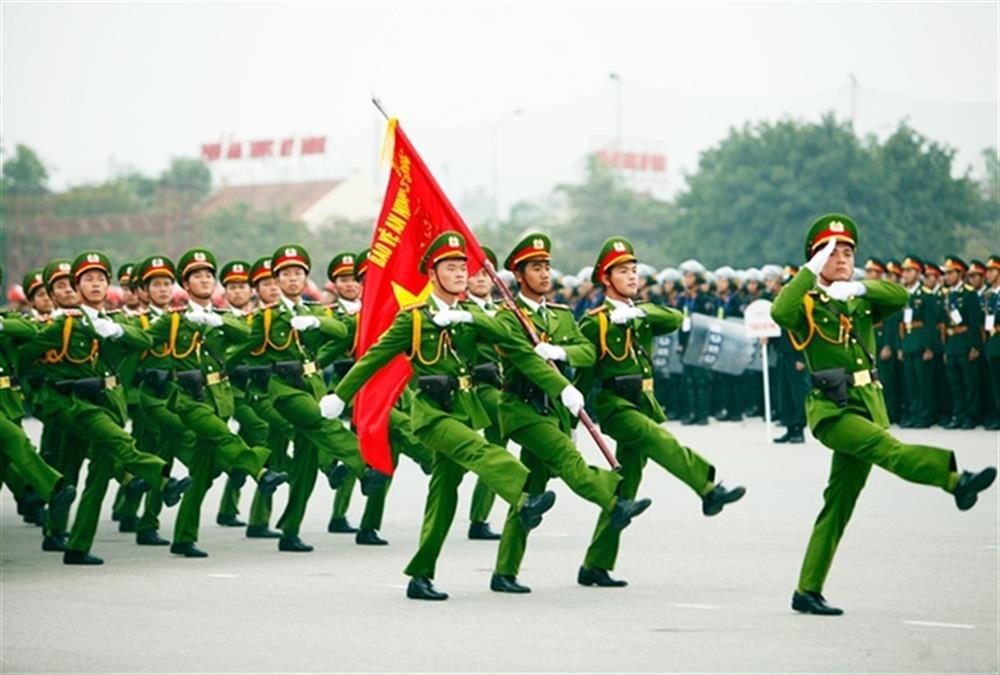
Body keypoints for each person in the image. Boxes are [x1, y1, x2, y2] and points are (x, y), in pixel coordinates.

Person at [321, 231, 573, 601]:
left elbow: (519, 351)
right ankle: (523, 493)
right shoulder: (415, 320)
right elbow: (373, 358)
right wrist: (340, 395)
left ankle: (420, 575)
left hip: (465, 410)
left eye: (462, 267)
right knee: (479, 450)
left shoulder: (471, 315)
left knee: (442, 499)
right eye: (450, 267)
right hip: (433, 415)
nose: (459, 273)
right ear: (432, 273)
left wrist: (559, 386)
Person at [771, 214, 996, 615]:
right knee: (889, 450)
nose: (842, 256)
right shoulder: (805, 301)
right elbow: (779, 311)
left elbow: (899, 296)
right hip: (834, 411)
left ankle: (807, 590)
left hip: (869, 404)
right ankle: (954, 479)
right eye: (832, 251)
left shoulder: (857, 297)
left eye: (848, 250)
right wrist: (809, 273)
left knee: (838, 502)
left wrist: (855, 285)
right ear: (814, 257)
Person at [576, 237, 746, 587]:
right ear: (606, 278)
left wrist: (638, 311)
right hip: (615, 405)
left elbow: (673, 318)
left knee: (625, 490)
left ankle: (595, 564)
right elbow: (584, 372)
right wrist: (570, 419)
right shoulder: (595, 322)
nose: (632, 276)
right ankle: (708, 489)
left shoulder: (642, 314)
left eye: (634, 270)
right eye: (623, 271)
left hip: (644, 402)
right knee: (659, 439)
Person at [490, 233, 650, 594]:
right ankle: (615, 499)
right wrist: (556, 378)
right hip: (521, 408)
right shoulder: (507, 317)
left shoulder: (560, 315)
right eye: (535, 267)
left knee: (530, 488)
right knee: (566, 457)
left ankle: (504, 571)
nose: (545, 273)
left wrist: (561, 353)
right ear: (518, 274)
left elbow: (586, 351)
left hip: (553, 412)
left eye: (547, 266)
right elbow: (525, 362)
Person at [19, 251, 193, 565]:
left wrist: (116, 331)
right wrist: (44, 394)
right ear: (77, 285)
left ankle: (76, 545)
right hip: (77, 405)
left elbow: (143, 341)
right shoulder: (65, 325)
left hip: (109, 400)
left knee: (94, 478)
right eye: (88, 279)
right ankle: (162, 479)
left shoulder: (112, 322)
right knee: (113, 445)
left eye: (101, 278)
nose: (96, 284)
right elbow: (24, 358)